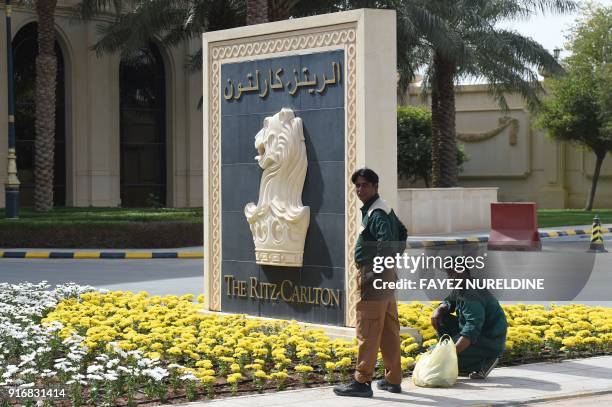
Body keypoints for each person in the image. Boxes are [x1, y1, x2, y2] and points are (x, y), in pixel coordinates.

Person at [333, 168, 407, 397]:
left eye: (364, 185)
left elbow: (387, 242)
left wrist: (375, 271)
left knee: (368, 328)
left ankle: (362, 381)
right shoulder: (383, 208)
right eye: (357, 185)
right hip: (385, 277)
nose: (359, 189)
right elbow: (402, 233)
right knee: (388, 329)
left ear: (375, 186)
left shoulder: (377, 213)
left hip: (375, 278)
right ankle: (393, 380)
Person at [430, 264, 508, 379]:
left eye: (458, 273)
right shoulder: (462, 286)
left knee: (444, 359)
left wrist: (450, 354)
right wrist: (440, 308)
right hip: (476, 334)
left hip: (488, 339)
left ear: (466, 273)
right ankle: (466, 358)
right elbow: (450, 301)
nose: (453, 277)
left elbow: (471, 329)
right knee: (442, 319)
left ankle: (484, 361)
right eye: (450, 273)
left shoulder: (472, 295)